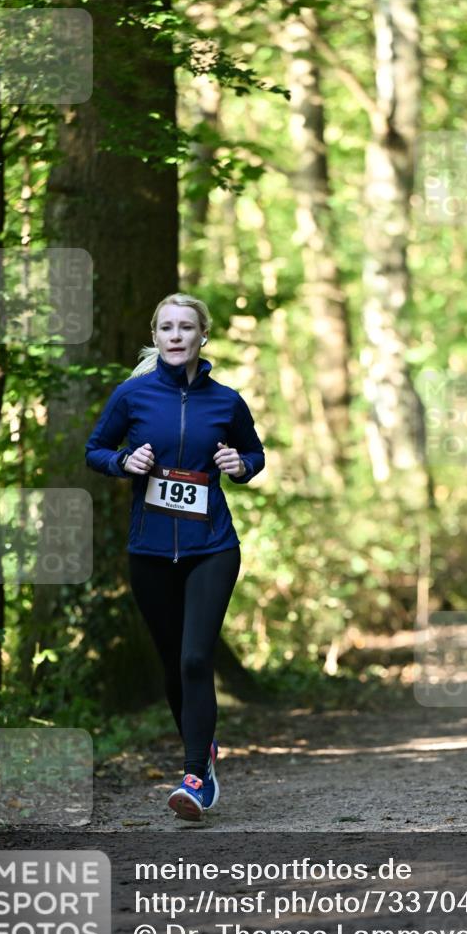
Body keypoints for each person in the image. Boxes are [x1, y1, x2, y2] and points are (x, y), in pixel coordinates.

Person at [85, 292, 265, 819]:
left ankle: (195, 777)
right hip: (150, 550)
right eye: (167, 327)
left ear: (202, 335)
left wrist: (240, 465)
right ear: (156, 336)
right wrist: (124, 461)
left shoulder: (226, 401)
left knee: (195, 659)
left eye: (186, 327)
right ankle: (201, 745)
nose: (177, 335)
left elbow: (254, 453)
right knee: (172, 665)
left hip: (212, 547)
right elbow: (95, 450)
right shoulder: (132, 396)